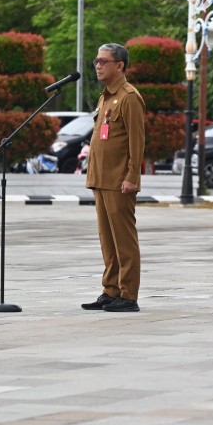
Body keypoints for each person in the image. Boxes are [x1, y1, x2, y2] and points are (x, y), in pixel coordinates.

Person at [81, 43, 146, 313]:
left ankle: (128, 295)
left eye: (103, 61)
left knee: (123, 240)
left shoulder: (129, 97)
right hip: (101, 178)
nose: (98, 65)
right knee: (107, 240)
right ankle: (111, 290)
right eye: (96, 61)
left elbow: (136, 142)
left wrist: (132, 177)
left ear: (119, 66)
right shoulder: (105, 97)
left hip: (120, 181)